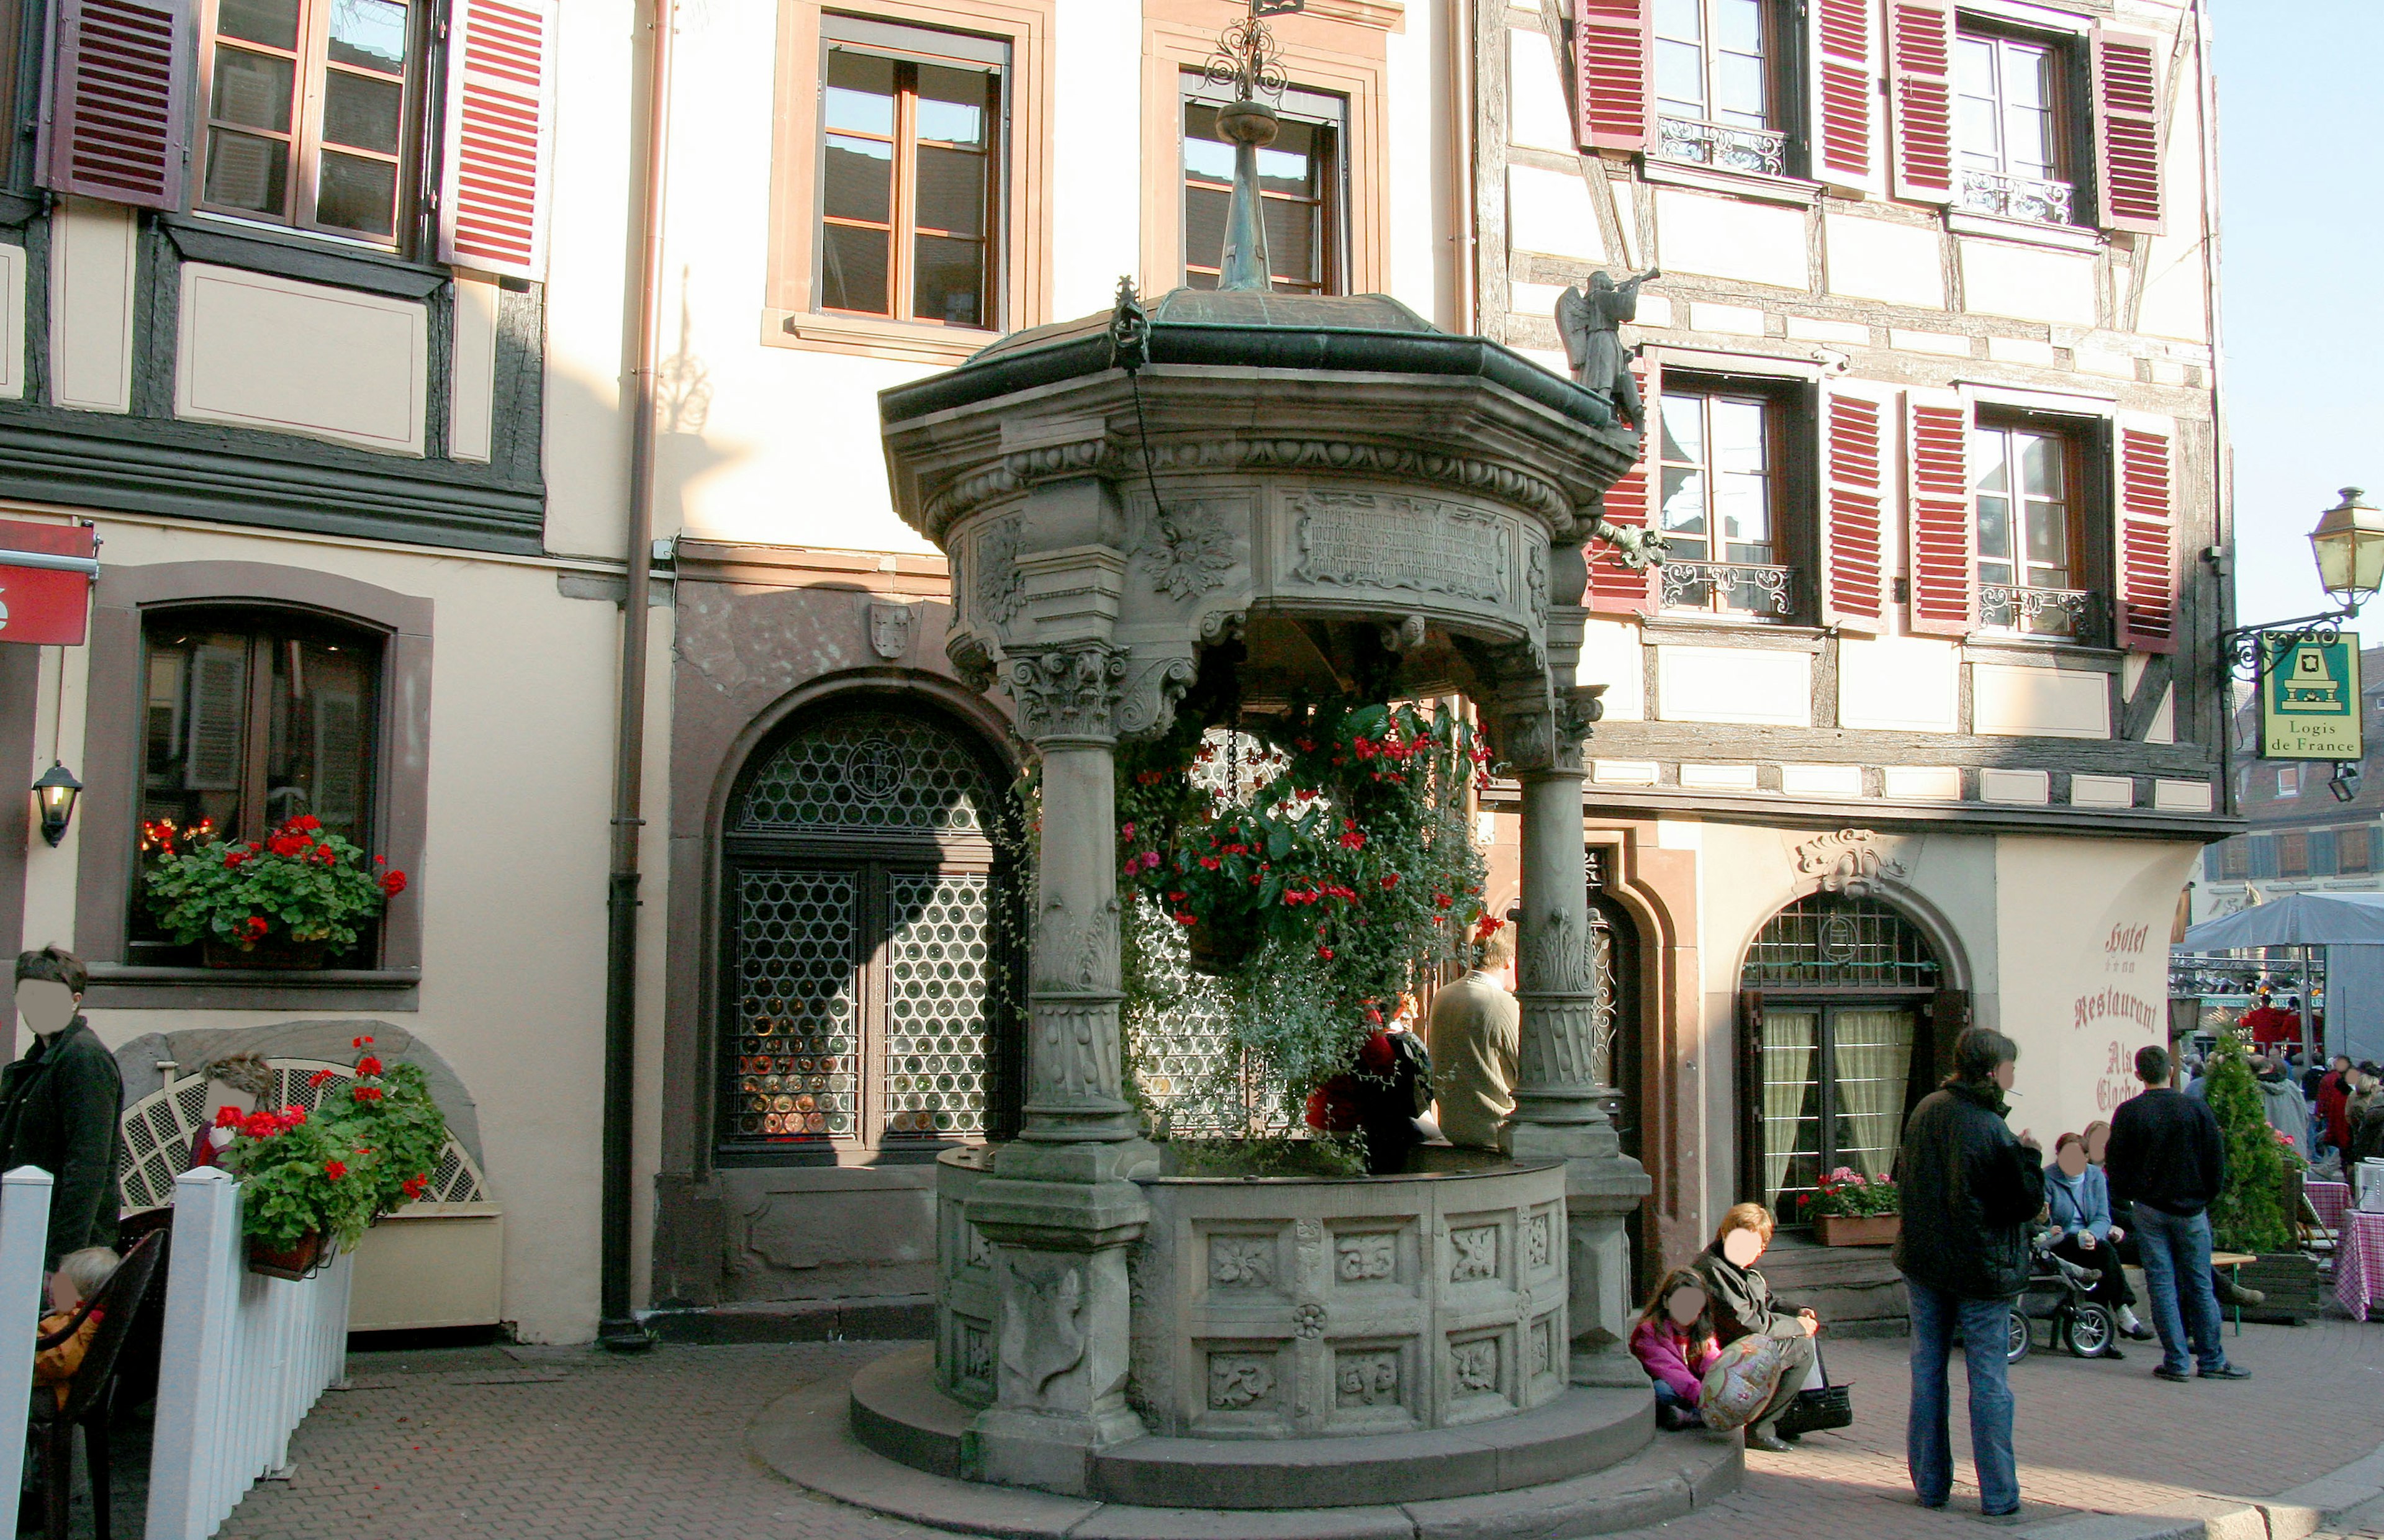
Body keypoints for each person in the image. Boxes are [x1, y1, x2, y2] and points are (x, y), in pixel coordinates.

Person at [1892, 1026, 2043, 1520]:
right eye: (2009, 1066)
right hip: (1980, 1267)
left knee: (1928, 1370)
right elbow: (2021, 1202)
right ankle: (1998, 1492)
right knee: (1989, 1378)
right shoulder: (1988, 1127)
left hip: (1927, 1259)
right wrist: (2030, 1156)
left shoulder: (1927, 1109)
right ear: (1992, 1071)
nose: (2013, 1074)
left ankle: (1931, 1483)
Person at [2105, 1043, 2247, 1384]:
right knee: (2199, 1284)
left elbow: (2116, 1164)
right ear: (2171, 1070)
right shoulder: (2195, 1109)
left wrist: (2132, 1194)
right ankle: (2211, 1359)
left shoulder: (2129, 1112)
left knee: (2162, 1285)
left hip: (2150, 1209)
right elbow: (2216, 1159)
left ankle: (2176, 1360)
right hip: (2191, 1208)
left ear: (2138, 1074)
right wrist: (2204, 1196)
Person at [0, 948, 122, 1270]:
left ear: (75, 1000)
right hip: (27, 1232)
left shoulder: (84, 1058)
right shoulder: (37, 1062)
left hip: (62, 1247)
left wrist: (62, 1263)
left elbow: (89, 1165)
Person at [1691, 1203, 1817, 1454]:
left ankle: (1785, 1417)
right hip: (1720, 1351)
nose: (1758, 1253)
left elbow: (1766, 1300)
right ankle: (1760, 1429)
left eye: (1761, 1246)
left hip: (1740, 1341)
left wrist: (1796, 1311)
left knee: (1801, 1338)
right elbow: (1750, 1325)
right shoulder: (1714, 1270)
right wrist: (1798, 1327)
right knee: (1801, 1349)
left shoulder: (1736, 1263)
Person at [2043, 1132, 2151, 1344]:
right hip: (2062, 1240)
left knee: (2103, 1259)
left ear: (2086, 1157)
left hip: (2092, 1238)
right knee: (2104, 1253)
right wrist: (2048, 1222)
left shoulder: (2095, 1177)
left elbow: (2103, 1216)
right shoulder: (2048, 1178)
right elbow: (2044, 1217)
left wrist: (2093, 1234)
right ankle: (2123, 1313)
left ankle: (2100, 1338)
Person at [1425, 924, 1518, 1150]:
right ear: (1509, 960)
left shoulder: (1443, 995)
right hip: (1498, 1131)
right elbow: (1535, 1072)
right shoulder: (1502, 1003)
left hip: (1454, 1127)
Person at [1630, 1269, 1721, 1431]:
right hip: (1676, 1388)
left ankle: (1690, 1416)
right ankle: (1693, 1415)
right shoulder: (1649, 1333)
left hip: (1696, 1391)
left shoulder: (1703, 1333)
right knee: (1661, 1390)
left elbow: (1713, 1362)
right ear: (1666, 1302)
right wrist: (1702, 1397)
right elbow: (1671, 1371)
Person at [33, 1245, 117, 1410]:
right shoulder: (74, 1318)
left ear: (84, 1293)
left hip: (52, 1394)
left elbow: (60, 1363)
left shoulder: (80, 1323)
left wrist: (27, 1345)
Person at [2252, 1055, 2311, 1155]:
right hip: (2296, 1146)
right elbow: (2305, 1116)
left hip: (2267, 1151)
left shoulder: (2253, 1090)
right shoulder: (2292, 1087)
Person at [2318, 1056, 2355, 1163]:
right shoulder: (2350, 1086)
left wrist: (2320, 1112)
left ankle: (2329, 1165)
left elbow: (2323, 1097)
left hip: (2336, 1116)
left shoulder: (2330, 1080)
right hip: (2347, 1120)